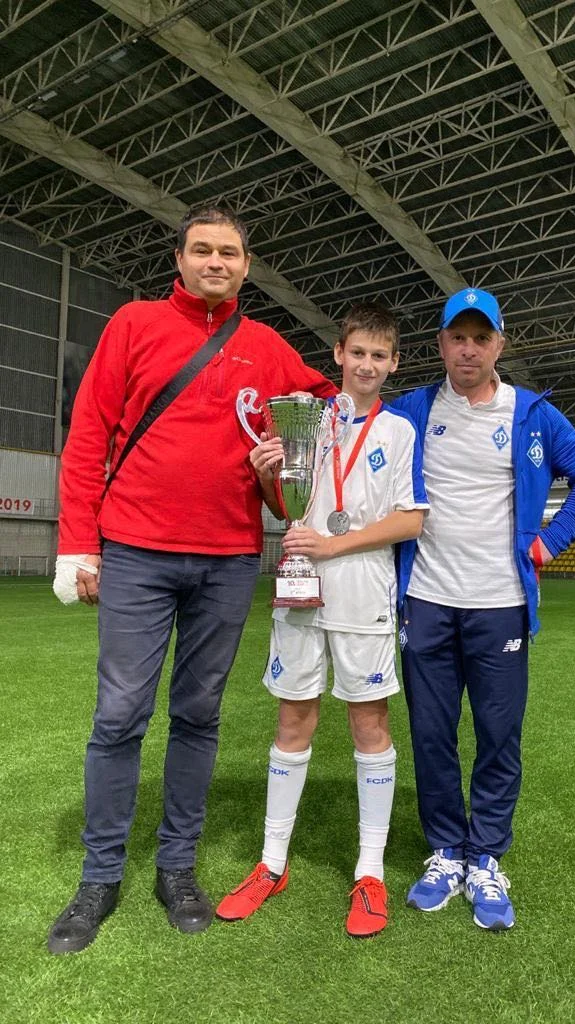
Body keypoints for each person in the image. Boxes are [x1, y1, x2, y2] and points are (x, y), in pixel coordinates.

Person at [47, 206, 336, 955]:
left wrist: (304, 451)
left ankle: (176, 866)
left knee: (199, 716)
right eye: (202, 249)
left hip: (228, 558)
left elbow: (332, 402)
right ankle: (99, 876)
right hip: (136, 552)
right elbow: (88, 435)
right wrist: (78, 545)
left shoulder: (265, 346)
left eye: (229, 252)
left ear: (246, 266)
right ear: (179, 259)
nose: (216, 262)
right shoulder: (134, 324)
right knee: (119, 716)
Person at [391, 287, 575, 931]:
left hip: (501, 605)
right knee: (431, 735)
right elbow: (353, 420)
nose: (469, 349)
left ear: (499, 345)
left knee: (498, 735)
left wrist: (550, 542)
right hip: (426, 601)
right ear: (440, 345)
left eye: (480, 338)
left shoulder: (532, 413)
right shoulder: (412, 411)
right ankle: (445, 851)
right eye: (458, 338)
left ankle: (484, 855)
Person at [216, 303, 427, 938]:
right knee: (293, 718)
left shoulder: (398, 431)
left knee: (369, 723)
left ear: (393, 363)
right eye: (357, 352)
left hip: (363, 591)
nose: (366, 365)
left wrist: (335, 545)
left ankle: (370, 871)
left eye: (379, 356)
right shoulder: (304, 419)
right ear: (337, 354)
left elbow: (410, 519)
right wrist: (268, 478)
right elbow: (288, 507)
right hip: (300, 587)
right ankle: (271, 862)